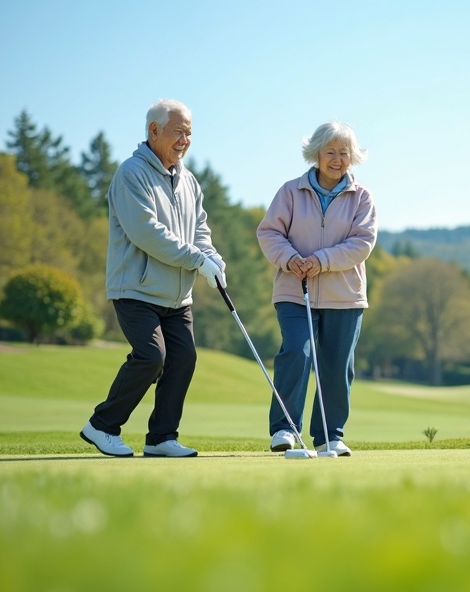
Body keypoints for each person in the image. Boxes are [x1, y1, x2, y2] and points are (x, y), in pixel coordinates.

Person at [80, 99, 227, 458]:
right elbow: (148, 232)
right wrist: (196, 259)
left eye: (189, 133)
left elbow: (199, 228)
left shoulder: (189, 181)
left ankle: (161, 437)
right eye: (179, 131)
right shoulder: (131, 173)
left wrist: (211, 256)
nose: (185, 140)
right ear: (154, 131)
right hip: (136, 289)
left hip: (178, 297)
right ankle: (101, 426)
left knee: (184, 358)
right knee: (151, 356)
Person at [257, 121, 377, 456]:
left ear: (352, 158)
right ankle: (285, 429)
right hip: (295, 290)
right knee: (298, 351)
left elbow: (362, 243)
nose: (337, 159)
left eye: (344, 153)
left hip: (345, 295)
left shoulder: (362, 197)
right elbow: (269, 233)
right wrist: (290, 259)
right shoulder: (290, 192)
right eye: (330, 152)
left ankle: (329, 436)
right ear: (316, 154)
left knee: (338, 366)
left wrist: (320, 260)